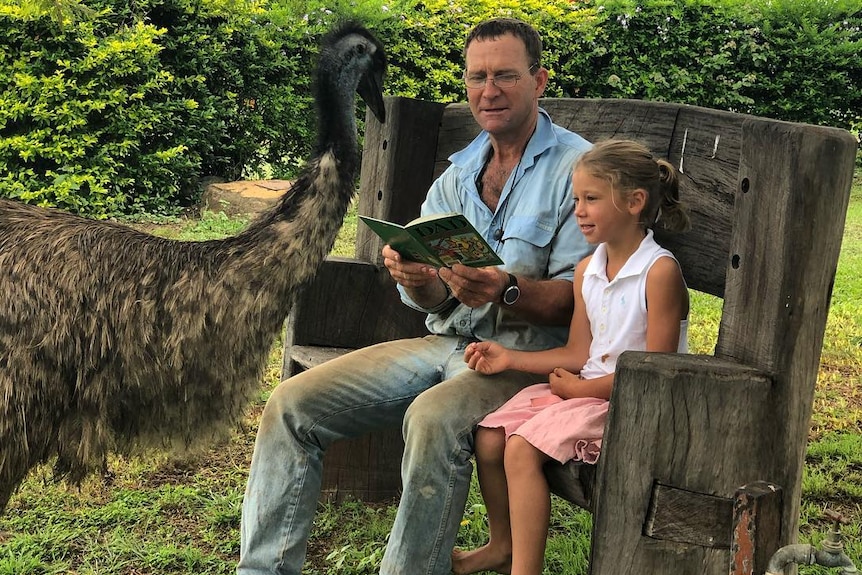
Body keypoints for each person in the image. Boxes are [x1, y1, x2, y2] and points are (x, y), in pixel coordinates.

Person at [237, 18, 593, 575]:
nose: (489, 91)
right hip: (447, 344)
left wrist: (508, 289)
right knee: (290, 406)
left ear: (539, 80)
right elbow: (431, 304)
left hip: (524, 361)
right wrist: (419, 280)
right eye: (477, 78)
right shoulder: (459, 173)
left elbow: (583, 302)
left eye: (505, 75)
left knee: (432, 418)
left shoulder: (577, 170)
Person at [450, 139, 691, 575]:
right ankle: (502, 546)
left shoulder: (659, 273)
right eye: (576, 198)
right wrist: (509, 359)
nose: (578, 210)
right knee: (489, 437)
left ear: (635, 202)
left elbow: (656, 376)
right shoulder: (587, 269)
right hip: (585, 391)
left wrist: (581, 389)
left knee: (520, 449)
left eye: (591, 199)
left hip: (629, 405)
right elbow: (578, 352)